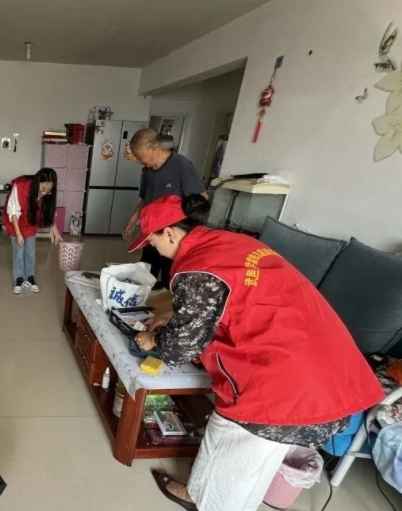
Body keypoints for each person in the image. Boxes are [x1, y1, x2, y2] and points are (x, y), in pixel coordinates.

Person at [128, 194, 384, 511]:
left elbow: (180, 348)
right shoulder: (231, 242)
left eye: (152, 241)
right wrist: (175, 315)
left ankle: (209, 503)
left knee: (232, 451)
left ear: (169, 233)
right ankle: (205, 495)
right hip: (328, 367)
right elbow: (234, 297)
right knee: (259, 460)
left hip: (281, 381)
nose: (153, 248)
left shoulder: (197, 270)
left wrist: (152, 339)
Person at [122, 128, 206, 289]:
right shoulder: (148, 170)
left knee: (171, 277)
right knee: (146, 273)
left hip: (173, 237)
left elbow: (201, 199)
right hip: (152, 232)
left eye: (138, 155)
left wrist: (184, 228)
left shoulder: (181, 166)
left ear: (153, 149)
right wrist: (132, 221)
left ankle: (166, 295)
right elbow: (146, 198)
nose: (138, 160)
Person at [3, 168, 62, 294]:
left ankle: (30, 277)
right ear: (37, 181)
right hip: (15, 223)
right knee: (19, 251)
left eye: (49, 187)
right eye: (43, 185)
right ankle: (19, 279)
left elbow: (49, 215)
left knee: (30, 251)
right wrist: (18, 234)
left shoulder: (48, 194)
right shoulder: (20, 187)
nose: (45, 189)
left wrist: (57, 234)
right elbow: (13, 213)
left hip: (29, 223)